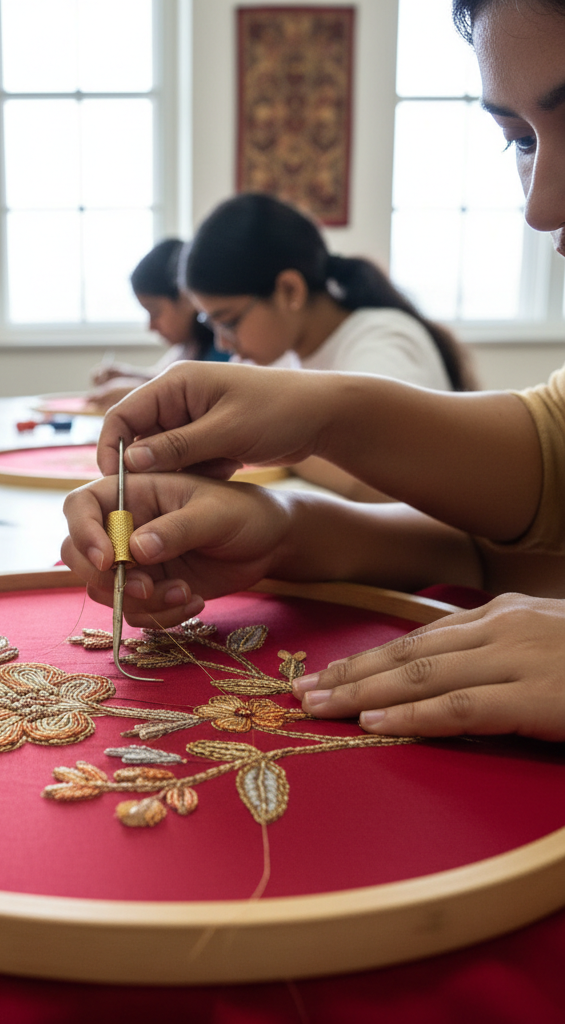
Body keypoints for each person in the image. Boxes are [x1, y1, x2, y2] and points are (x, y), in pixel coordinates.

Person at [61, 0, 565, 743]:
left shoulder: (377, 334)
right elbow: (535, 494)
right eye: (517, 140)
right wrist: (282, 529)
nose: (542, 207)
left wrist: (320, 431)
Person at [180, 193, 478, 500]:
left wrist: (268, 440)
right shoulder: (282, 355)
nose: (221, 341)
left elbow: (395, 486)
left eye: (227, 321)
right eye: (210, 324)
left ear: (289, 291)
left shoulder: (383, 344)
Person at [87, 239, 227, 412]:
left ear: (187, 299)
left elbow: (206, 400)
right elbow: (167, 379)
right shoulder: (188, 347)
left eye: (154, 312)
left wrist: (139, 393)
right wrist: (130, 375)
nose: (151, 326)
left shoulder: (224, 350)